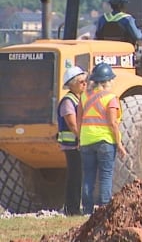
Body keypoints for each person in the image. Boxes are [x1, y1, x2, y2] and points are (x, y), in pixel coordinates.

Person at [79, 62, 127, 214]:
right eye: (112, 79)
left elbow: (79, 119)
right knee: (105, 176)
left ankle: (87, 210)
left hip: (86, 141)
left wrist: (80, 139)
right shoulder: (111, 98)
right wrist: (119, 144)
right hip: (105, 142)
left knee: (88, 176)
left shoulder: (84, 97)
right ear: (107, 81)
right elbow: (113, 123)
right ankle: (104, 209)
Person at [58, 65, 86, 216]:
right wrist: (82, 139)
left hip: (76, 145)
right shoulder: (68, 101)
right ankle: (72, 208)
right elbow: (72, 124)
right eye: (81, 81)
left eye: (84, 81)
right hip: (72, 146)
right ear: (72, 84)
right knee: (74, 176)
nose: (84, 84)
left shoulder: (78, 99)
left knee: (78, 176)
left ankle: (74, 207)